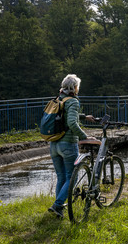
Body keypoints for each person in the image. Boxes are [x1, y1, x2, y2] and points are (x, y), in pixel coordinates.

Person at [48, 74, 96, 218]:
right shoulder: (73, 101)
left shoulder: (59, 99)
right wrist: (85, 137)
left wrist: (83, 116)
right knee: (72, 177)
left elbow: (65, 116)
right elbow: (71, 123)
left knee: (61, 177)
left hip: (54, 144)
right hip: (67, 144)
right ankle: (57, 205)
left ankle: (59, 210)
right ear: (75, 87)